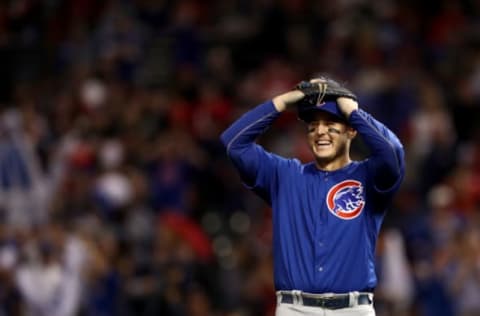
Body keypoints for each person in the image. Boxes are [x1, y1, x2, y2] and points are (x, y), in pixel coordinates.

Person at [220, 77, 405, 315]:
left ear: (351, 130)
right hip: (294, 308)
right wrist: (285, 101)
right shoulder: (284, 175)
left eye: (330, 124)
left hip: (352, 309)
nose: (320, 131)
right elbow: (234, 143)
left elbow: (393, 152)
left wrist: (353, 111)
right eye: (313, 125)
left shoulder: (368, 176)